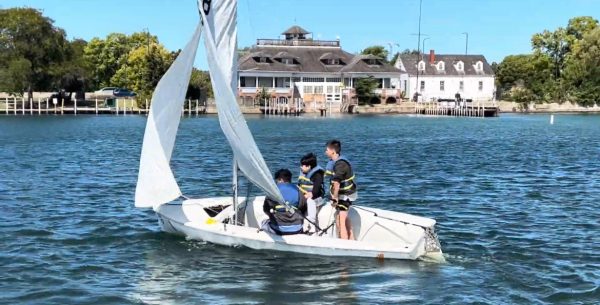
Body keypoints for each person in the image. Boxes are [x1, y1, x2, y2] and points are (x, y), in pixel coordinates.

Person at [325, 140, 357, 240]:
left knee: (340, 221)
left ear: (333, 151)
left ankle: (345, 244)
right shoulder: (335, 162)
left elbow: (336, 183)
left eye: (327, 150)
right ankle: (352, 240)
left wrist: (334, 198)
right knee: (344, 218)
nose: (325, 152)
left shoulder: (340, 165)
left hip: (345, 196)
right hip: (344, 195)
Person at [262, 169, 306, 235]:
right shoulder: (298, 190)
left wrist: (272, 215)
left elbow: (266, 209)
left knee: (263, 223)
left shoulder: (273, 191)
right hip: (297, 228)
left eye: (276, 180)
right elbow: (303, 207)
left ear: (280, 179)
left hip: (278, 229)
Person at [297, 153, 325, 233]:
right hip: (304, 196)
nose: (301, 167)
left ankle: (312, 226)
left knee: (310, 200)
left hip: (316, 198)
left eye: (303, 165)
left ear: (309, 166)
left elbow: (316, 189)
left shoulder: (317, 174)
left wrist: (310, 194)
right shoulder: (303, 172)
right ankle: (299, 225)